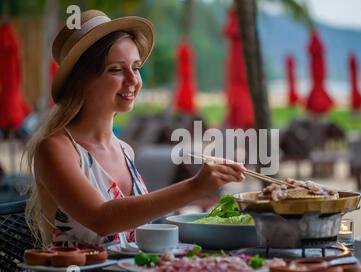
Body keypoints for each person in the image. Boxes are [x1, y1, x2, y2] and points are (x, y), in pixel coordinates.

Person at [25, 10, 245, 247]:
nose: (133, 80)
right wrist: (194, 187)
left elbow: (131, 231)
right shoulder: (55, 149)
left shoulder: (125, 151)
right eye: (116, 70)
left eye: (136, 67)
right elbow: (101, 218)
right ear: (82, 81)